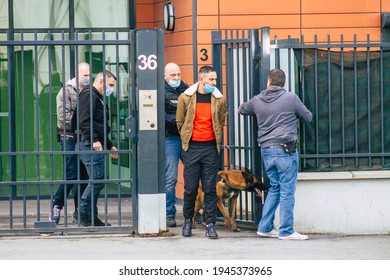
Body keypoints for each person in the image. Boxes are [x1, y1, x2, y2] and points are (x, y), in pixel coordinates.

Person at [238, 68, 312, 240]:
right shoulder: (290, 98)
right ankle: (286, 231)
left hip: (266, 150)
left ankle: (264, 227)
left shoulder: (257, 100)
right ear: (284, 83)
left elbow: (242, 109)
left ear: (268, 82)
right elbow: (308, 117)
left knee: (274, 189)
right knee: (287, 191)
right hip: (285, 150)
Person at [176, 65, 226, 239]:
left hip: (211, 148)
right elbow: (179, 121)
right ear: (202, 79)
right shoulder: (186, 97)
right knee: (190, 189)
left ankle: (210, 224)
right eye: (211, 79)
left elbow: (220, 120)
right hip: (192, 148)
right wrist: (187, 140)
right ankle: (188, 221)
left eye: (215, 79)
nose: (215, 82)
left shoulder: (219, 99)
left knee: (210, 189)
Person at [75, 70, 118, 227]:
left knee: (96, 179)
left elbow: (99, 125)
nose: (111, 89)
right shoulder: (89, 95)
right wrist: (94, 140)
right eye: (110, 85)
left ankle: (91, 217)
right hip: (88, 143)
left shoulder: (96, 97)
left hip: (93, 142)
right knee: (98, 179)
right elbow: (84, 120)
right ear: (101, 81)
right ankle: (82, 212)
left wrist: (109, 144)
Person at [49, 62, 90, 224]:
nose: (87, 78)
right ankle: (57, 205)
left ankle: (79, 212)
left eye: (89, 75)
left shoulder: (88, 91)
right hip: (69, 138)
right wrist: (83, 126)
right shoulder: (65, 91)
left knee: (84, 176)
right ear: (77, 74)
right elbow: (62, 118)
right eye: (84, 75)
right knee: (72, 174)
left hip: (84, 138)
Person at [164, 62, 189, 228]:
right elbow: (161, 115)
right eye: (173, 75)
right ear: (165, 76)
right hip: (171, 138)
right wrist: (179, 121)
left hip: (187, 138)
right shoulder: (160, 91)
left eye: (178, 74)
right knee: (171, 177)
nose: (176, 78)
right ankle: (169, 213)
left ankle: (192, 213)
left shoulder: (186, 90)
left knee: (194, 175)